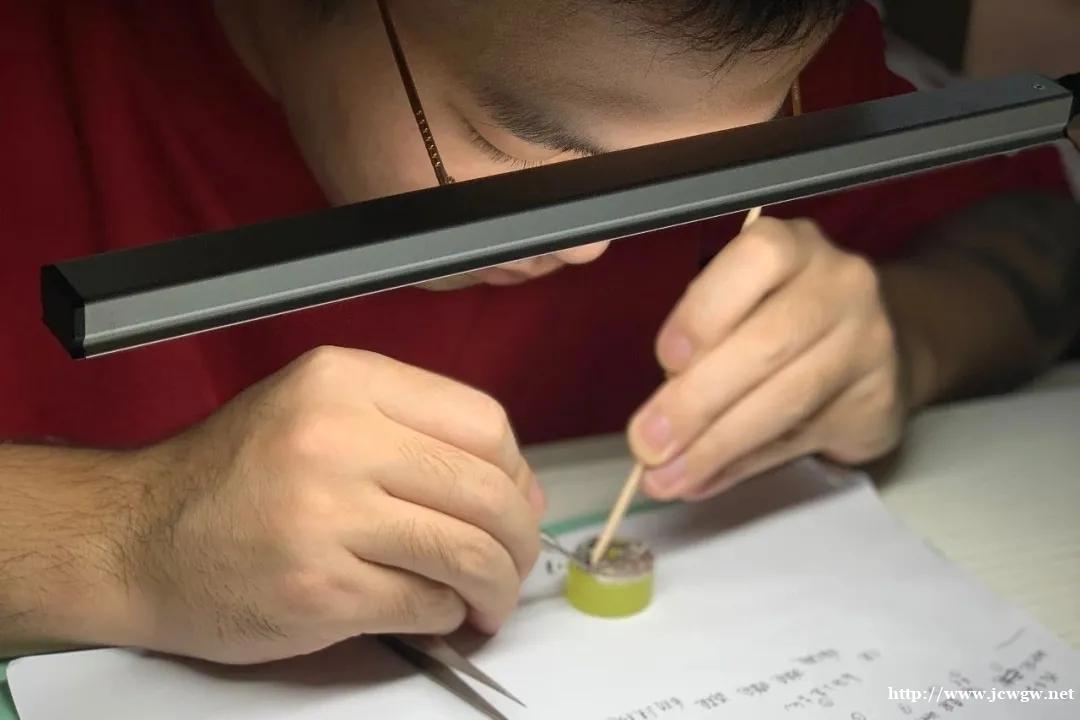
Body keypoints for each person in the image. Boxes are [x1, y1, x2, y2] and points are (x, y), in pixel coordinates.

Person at [2, 0, 1078, 666]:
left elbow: (1036, 236)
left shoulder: (745, 40)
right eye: (519, 146)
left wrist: (907, 337)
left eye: (712, 167)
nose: (597, 245)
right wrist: (127, 540)